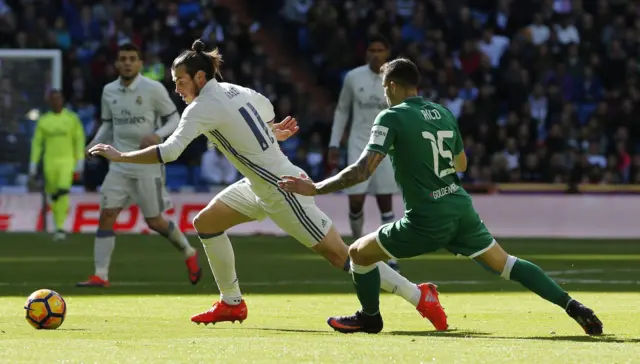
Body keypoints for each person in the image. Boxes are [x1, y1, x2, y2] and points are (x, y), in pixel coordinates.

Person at [88, 40, 447, 330]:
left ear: (199, 77)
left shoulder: (200, 108)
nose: (177, 89)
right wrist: (269, 133)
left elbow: (169, 152)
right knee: (206, 223)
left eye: (180, 81)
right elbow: (263, 109)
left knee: (341, 257)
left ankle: (419, 295)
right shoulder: (235, 91)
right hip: (260, 184)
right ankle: (232, 303)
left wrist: (119, 157)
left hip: (283, 189)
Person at [278, 58, 603, 336]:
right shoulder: (443, 113)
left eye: (383, 88)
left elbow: (363, 171)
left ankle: (370, 317)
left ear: (390, 85)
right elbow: (461, 164)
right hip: (460, 208)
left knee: (358, 253)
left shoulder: (391, 117)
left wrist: (316, 187)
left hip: (426, 216)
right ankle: (571, 304)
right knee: (507, 264)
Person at [77, 43, 201, 288]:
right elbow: (107, 125)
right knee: (106, 215)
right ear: (116, 64)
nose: (127, 63)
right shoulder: (109, 91)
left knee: (155, 221)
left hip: (147, 163)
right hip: (118, 165)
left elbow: (174, 118)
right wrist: (93, 144)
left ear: (140, 63)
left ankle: (189, 252)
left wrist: (158, 135)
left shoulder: (153, 89)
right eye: (123, 58)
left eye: (132, 58)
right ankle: (100, 275)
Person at [328, 35, 400, 271]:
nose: (376, 54)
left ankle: (391, 256)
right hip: (359, 145)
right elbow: (341, 111)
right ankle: (356, 251)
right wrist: (334, 144)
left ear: (387, 52)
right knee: (356, 201)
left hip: (387, 146)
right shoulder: (353, 77)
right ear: (366, 52)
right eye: (372, 49)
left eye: (380, 49)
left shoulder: (395, 77)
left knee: (385, 203)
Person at [29, 90, 86, 241]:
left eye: (58, 98)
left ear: (62, 100)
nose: (55, 101)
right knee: (54, 194)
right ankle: (58, 226)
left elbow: (79, 140)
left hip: (67, 160)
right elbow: (37, 144)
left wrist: (79, 161)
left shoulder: (72, 118)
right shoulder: (44, 121)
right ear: (49, 102)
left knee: (62, 189)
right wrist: (33, 163)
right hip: (50, 161)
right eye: (52, 99)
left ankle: (60, 226)